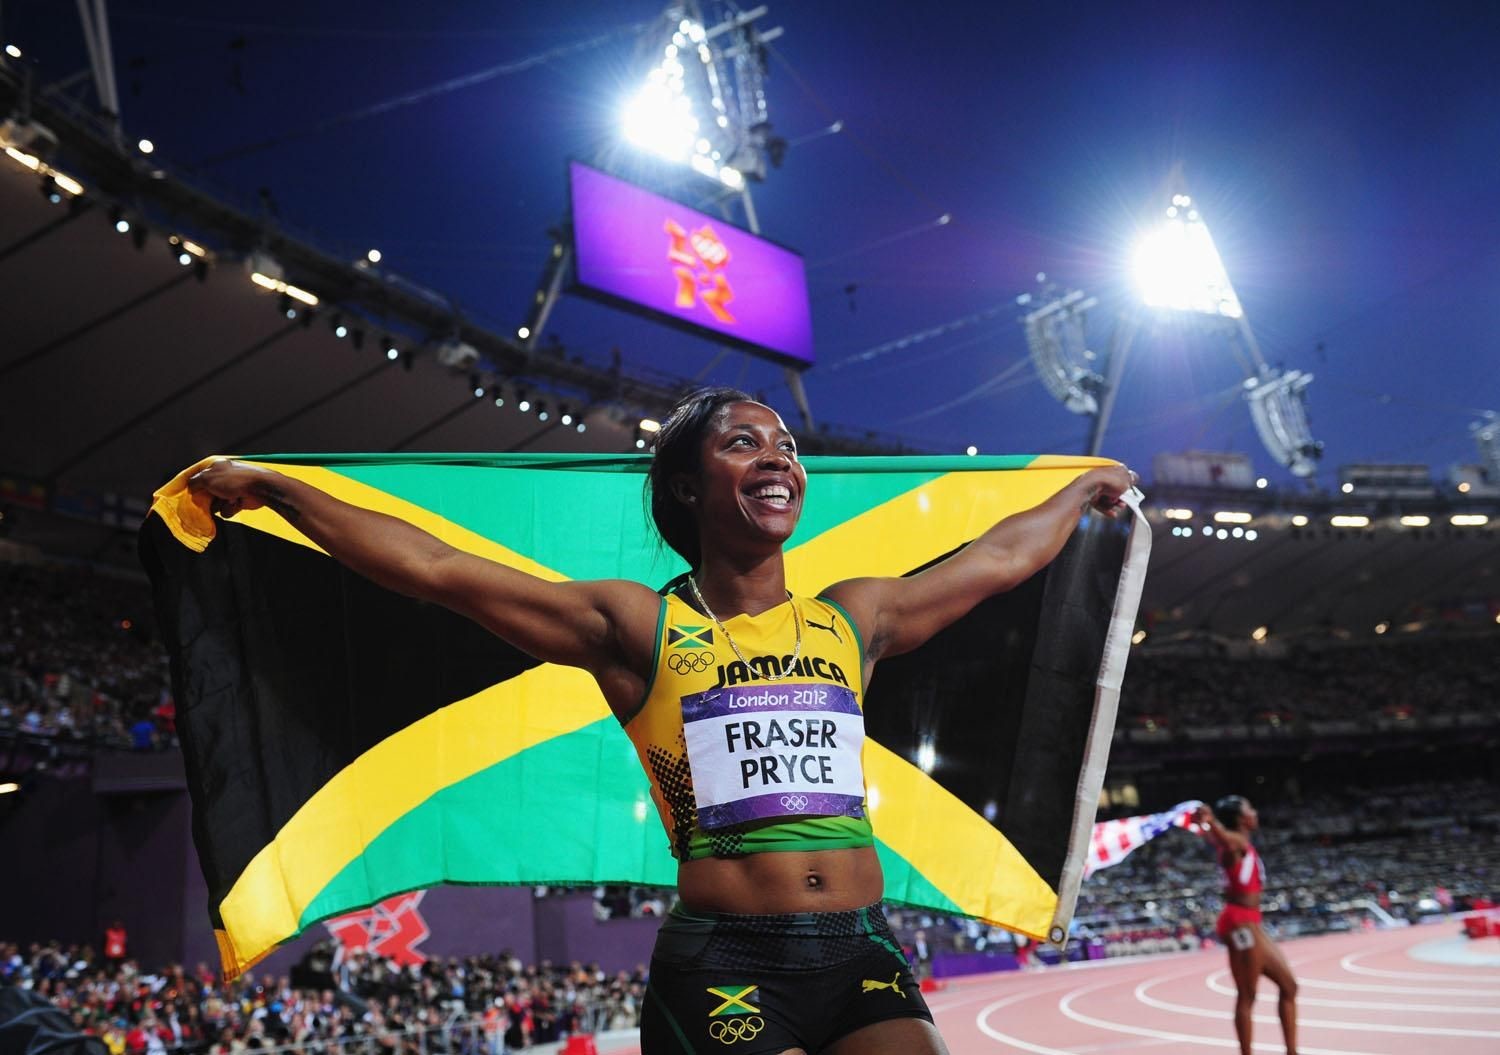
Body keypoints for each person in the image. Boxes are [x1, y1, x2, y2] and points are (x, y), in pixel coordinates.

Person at [188, 387, 1134, 1055]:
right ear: (687, 487)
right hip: (728, 960)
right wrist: (280, 490)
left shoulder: (855, 616)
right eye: (743, 444)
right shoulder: (638, 626)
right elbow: (439, 571)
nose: (778, 457)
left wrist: (1077, 492)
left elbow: (998, 558)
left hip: (859, 944)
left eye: (786, 444)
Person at [1195, 796, 1298, 1055]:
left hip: (1251, 922)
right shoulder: (1235, 842)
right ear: (1241, 819)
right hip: (1239, 923)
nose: (1255, 812)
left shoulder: (1239, 843)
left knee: (1289, 986)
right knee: (1247, 994)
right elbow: (1224, 840)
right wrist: (1212, 822)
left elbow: (1217, 839)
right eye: (1250, 809)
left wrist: (1208, 825)